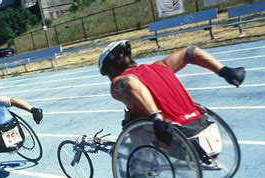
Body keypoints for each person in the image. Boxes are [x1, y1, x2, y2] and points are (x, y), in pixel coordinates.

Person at [98, 40, 245, 147]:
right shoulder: (160, 66)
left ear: (110, 69)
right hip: (204, 125)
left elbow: (129, 82)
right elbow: (191, 52)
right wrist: (225, 71)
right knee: (134, 113)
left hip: (178, 136)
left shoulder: (118, 83)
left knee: (132, 123)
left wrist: (157, 118)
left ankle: (143, 168)